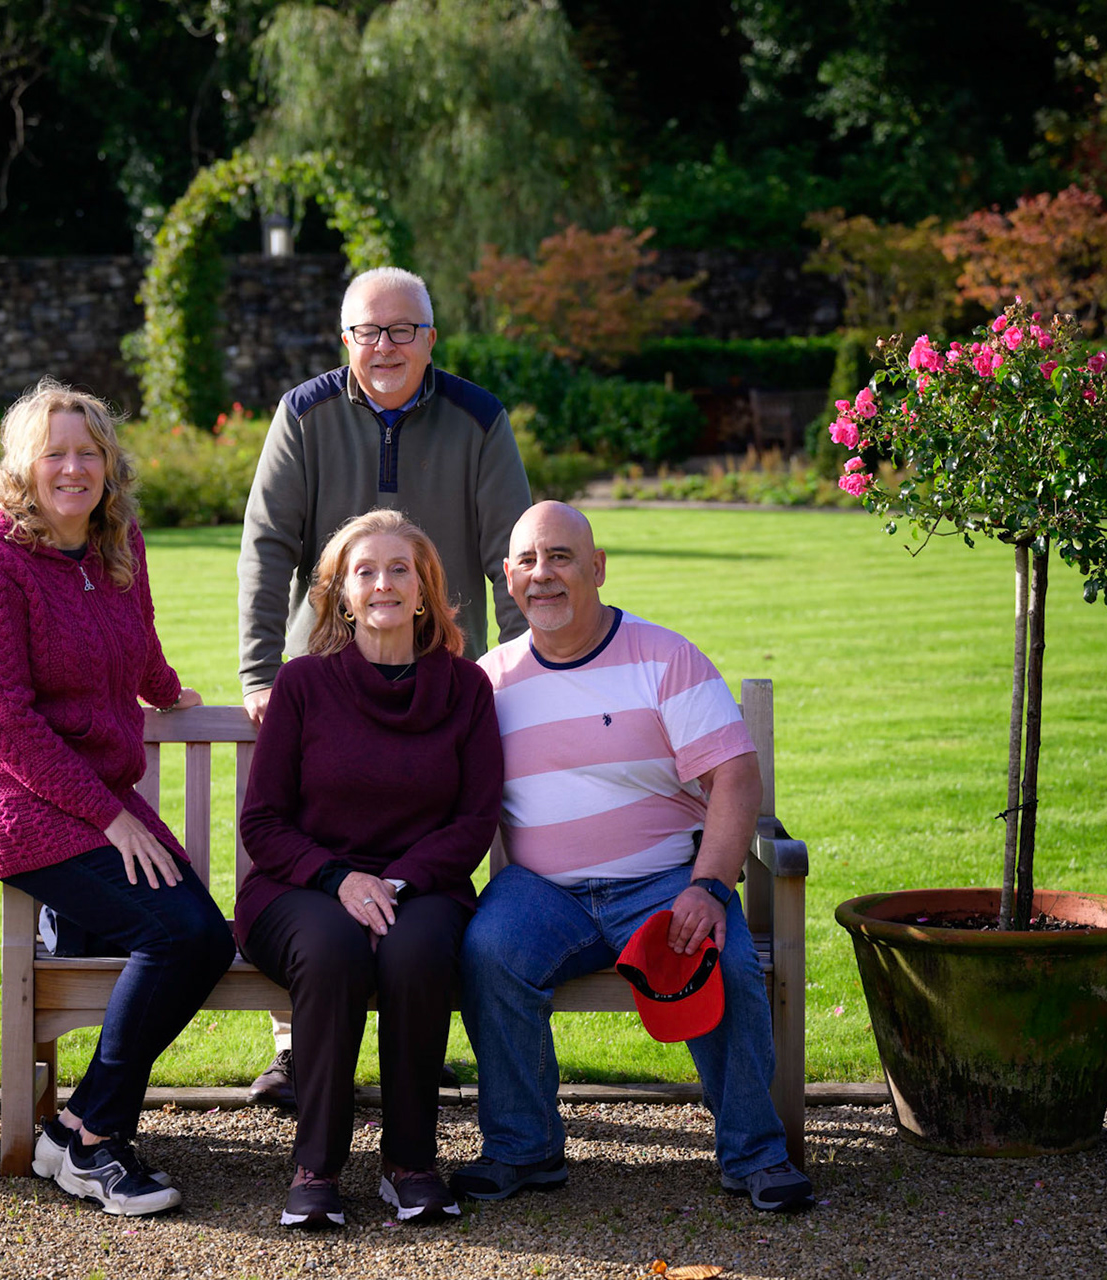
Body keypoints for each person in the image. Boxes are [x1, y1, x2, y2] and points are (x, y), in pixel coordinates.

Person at [454, 501, 816, 1214]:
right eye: (527, 561)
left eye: (560, 557)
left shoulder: (663, 657)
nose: (543, 575)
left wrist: (709, 887)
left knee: (728, 961)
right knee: (487, 951)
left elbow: (735, 778)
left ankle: (755, 1154)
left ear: (597, 567)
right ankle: (525, 1150)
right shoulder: (488, 681)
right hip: (542, 892)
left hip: (661, 882)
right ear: (507, 578)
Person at [0, 379, 236, 1217]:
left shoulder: (117, 544)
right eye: (54, 453)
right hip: (10, 798)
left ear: (110, 464)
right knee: (182, 934)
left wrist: (176, 693)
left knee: (198, 935)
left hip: (90, 793)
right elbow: (7, 726)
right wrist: (109, 816)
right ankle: (92, 1138)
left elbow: (136, 649)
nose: (73, 468)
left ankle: (79, 1128)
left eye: (88, 452)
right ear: (23, 469)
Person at [237, 265, 532, 1106]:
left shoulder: (477, 418)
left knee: (423, 837)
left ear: (431, 338)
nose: (386, 346)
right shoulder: (304, 412)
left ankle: (417, 1026)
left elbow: (509, 555)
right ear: (346, 340)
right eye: (369, 331)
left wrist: (523, 669)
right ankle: (298, 1047)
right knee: (311, 835)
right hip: (320, 669)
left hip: (436, 671)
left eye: (404, 330)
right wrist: (262, 671)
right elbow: (266, 546)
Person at [237, 509, 504, 1229]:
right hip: (301, 885)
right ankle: (316, 1166)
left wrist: (397, 882)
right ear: (341, 594)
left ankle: (409, 1161)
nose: (382, 583)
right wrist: (341, 880)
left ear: (423, 591)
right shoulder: (302, 686)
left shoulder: (465, 689)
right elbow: (262, 823)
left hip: (422, 886)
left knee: (416, 952)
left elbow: (475, 821)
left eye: (398, 570)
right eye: (364, 571)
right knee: (332, 949)